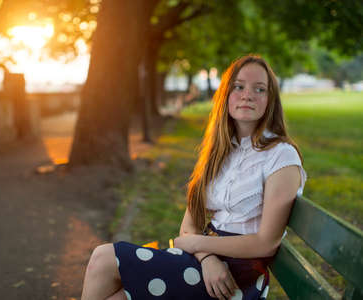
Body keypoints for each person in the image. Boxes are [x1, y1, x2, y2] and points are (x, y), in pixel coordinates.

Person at [80, 55, 307, 300]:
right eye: (239, 87)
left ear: (270, 101)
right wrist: (207, 258)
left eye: (259, 89)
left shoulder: (281, 155)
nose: (247, 95)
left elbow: (266, 243)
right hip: (205, 262)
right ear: (226, 96)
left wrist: (199, 244)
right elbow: (189, 226)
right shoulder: (220, 152)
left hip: (241, 274)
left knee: (104, 258)